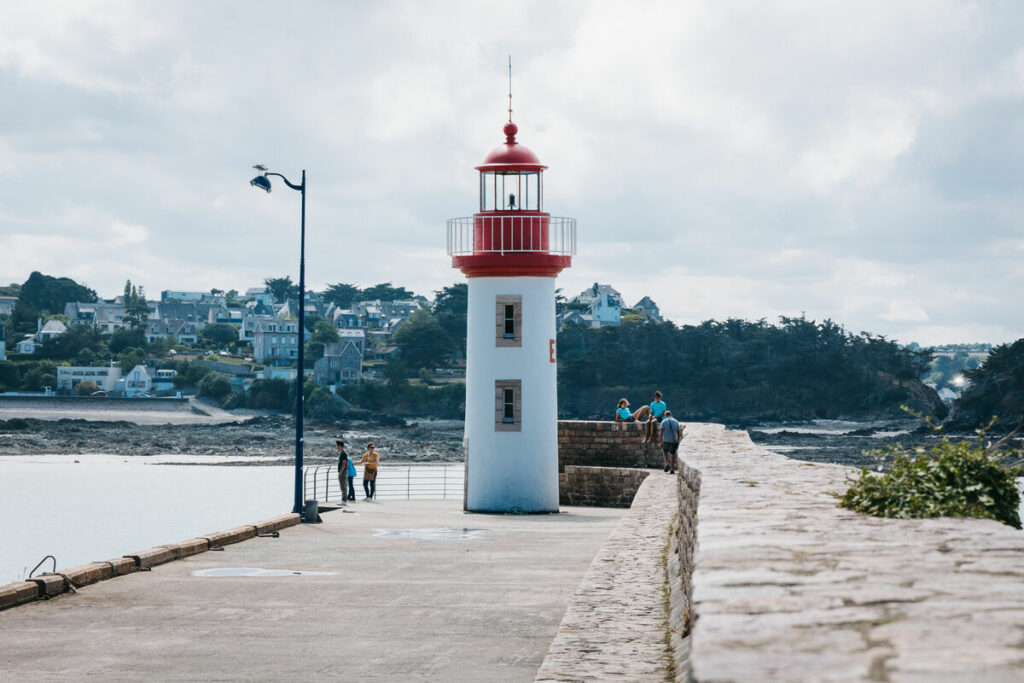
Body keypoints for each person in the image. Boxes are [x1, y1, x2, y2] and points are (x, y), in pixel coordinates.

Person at [335, 439, 351, 504]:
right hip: (343, 471)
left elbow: (344, 463)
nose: (336, 447)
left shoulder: (343, 453)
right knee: (342, 485)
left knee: (343, 485)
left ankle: (344, 500)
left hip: (343, 472)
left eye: (337, 446)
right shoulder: (342, 453)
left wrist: (341, 472)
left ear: (340, 446)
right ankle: (343, 499)